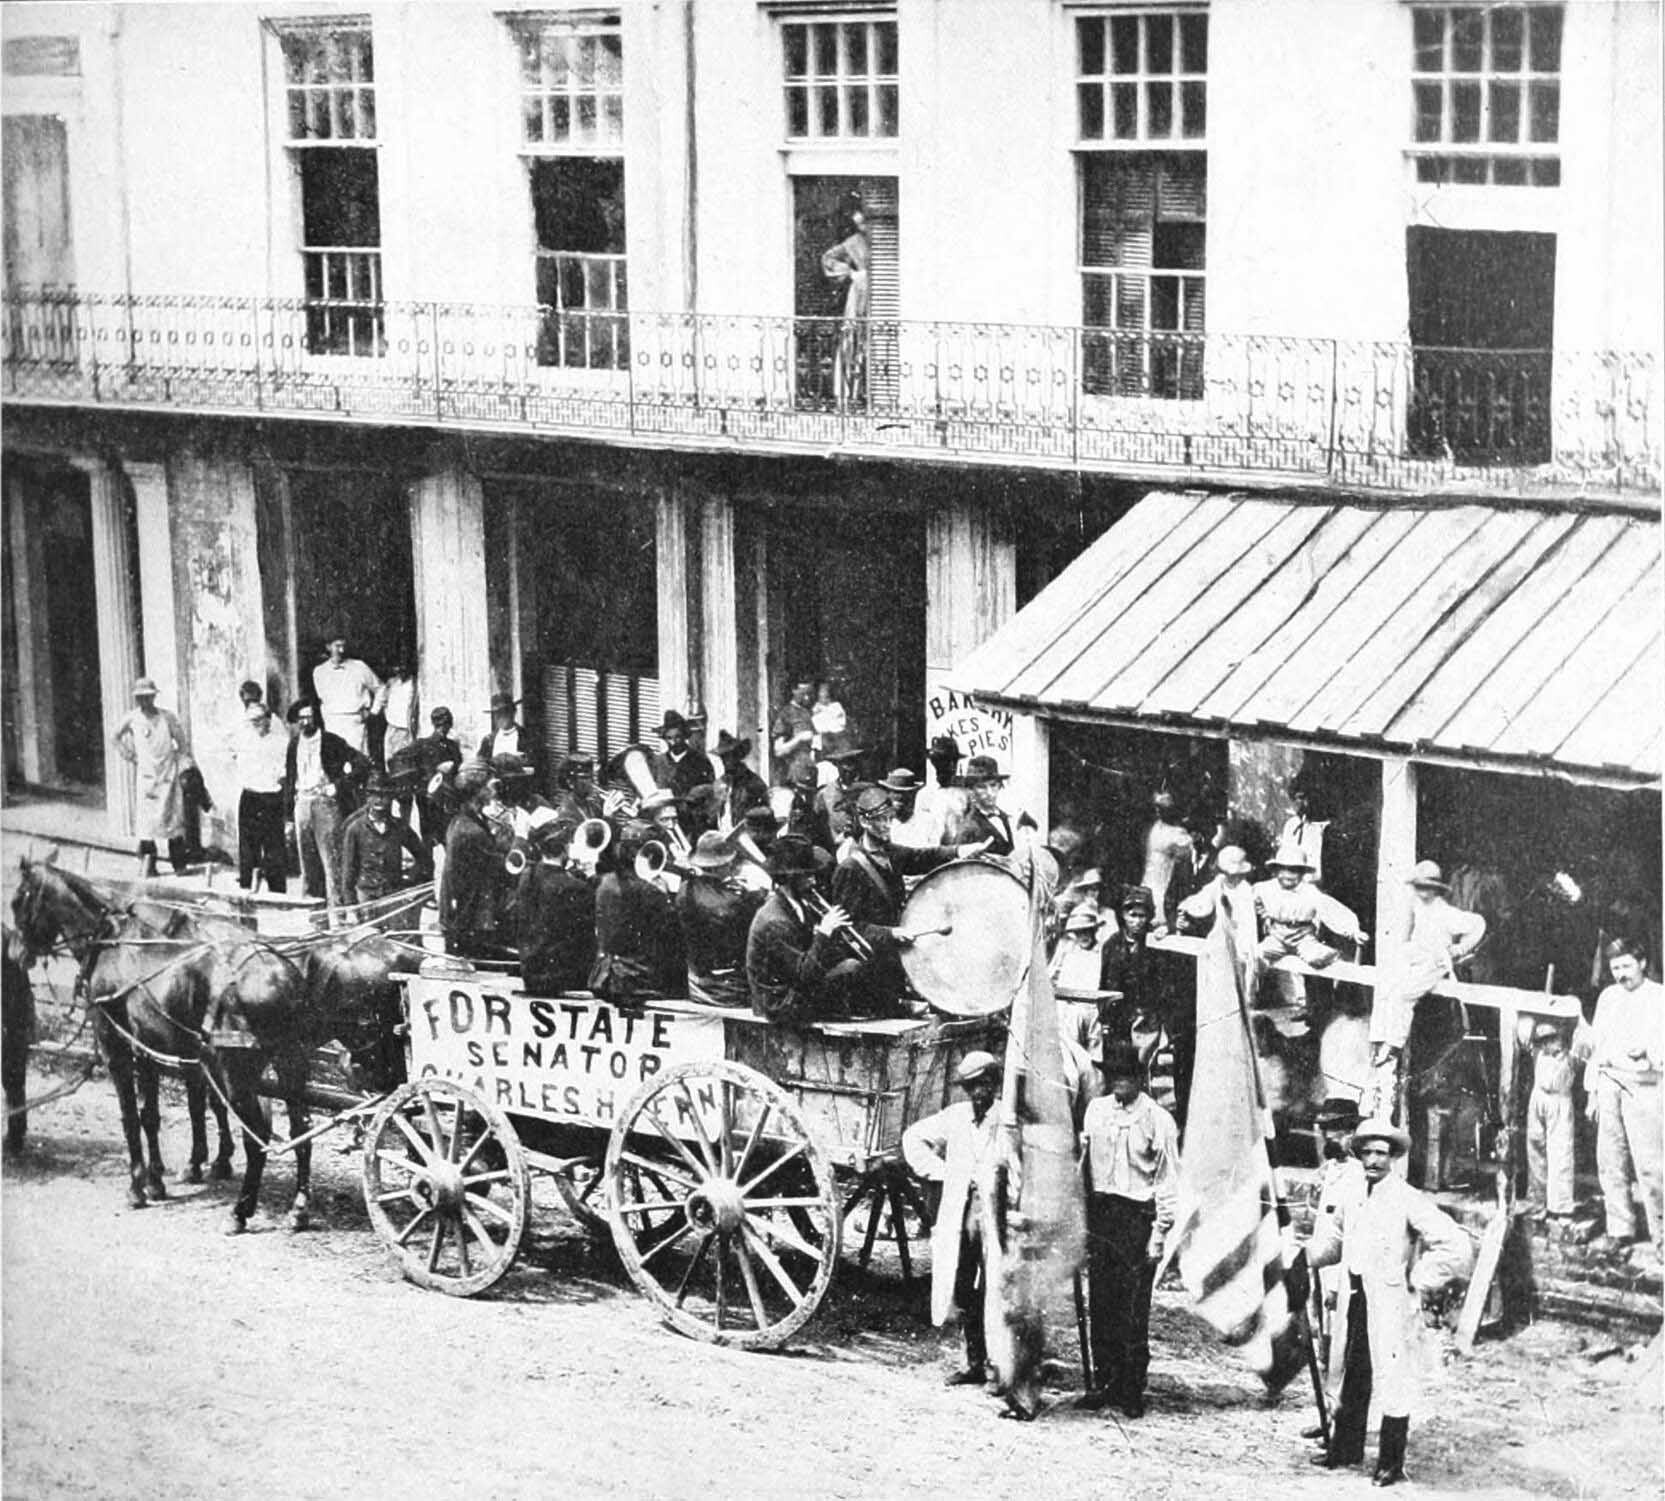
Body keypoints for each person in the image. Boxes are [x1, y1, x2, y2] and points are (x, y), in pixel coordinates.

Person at [1307, 1118, 1472, 1486]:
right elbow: (1334, 1244)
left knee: (1394, 1379)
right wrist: (1301, 1255)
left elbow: (1456, 1246)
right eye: (1367, 1152)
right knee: (1354, 1373)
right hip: (1357, 1298)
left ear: (1393, 1157)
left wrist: (1420, 1278)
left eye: (1382, 1153)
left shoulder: (1406, 1197)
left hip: (1392, 1303)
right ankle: (1346, 1449)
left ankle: (1390, 1462)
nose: (1374, 1161)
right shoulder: (1352, 1194)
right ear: (1359, 1155)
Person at [1078, 1042, 1179, 1419]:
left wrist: (1159, 1234)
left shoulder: (1157, 1119)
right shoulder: (1096, 1112)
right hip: (1102, 1215)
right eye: (1112, 1075)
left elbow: (1168, 1181)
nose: (1119, 1082)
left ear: (1139, 1078)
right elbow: (1084, 1168)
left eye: (1127, 1075)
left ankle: (1131, 1387)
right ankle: (1105, 1381)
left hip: (1137, 1217)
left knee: (1134, 1309)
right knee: (1102, 1302)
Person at [901, 1051, 1005, 1389]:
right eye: (973, 1086)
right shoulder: (957, 1117)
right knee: (961, 1285)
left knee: (993, 1288)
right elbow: (913, 1138)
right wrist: (942, 1173)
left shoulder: (1005, 1120)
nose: (979, 1092)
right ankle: (972, 1361)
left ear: (994, 1084)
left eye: (985, 1084)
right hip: (959, 1210)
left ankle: (996, 1367)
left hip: (991, 1212)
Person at [831, 785, 979, 1015]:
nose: (888, 825)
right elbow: (848, 930)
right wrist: (891, 933)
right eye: (881, 820)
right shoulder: (850, 869)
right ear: (865, 822)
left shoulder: (890, 853)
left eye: (890, 819)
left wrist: (960, 851)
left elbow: (922, 857)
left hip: (894, 963)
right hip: (870, 973)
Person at [1364, 861, 1484, 1123]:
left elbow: (1478, 924)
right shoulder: (1417, 907)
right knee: (1390, 985)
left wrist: (1460, 949)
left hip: (1435, 961)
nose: (1423, 891)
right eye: (1419, 886)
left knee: (1405, 995)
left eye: (1428, 887)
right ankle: (1382, 1037)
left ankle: (1394, 1044)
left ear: (1437, 889)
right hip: (1416, 956)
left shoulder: (1446, 912)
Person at [1575, 936, 1663, 1263]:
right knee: (1610, 1161)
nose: (1620, 974)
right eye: (1615, 968)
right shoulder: (1608, 997)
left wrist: (1650, 1053)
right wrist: (1592, 1093)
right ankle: (1620, 1229)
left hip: (1646, 1085)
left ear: (1641, 963)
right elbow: (1597, 1047)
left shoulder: (1659, 997)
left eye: (1626, 966)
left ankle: (1662, 1238)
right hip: (1609, 1081)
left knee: (1651, 1165)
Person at [745, 834, 878, 1023]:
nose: (813, 881)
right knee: (851, 968)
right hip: (778, 1004)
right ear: (789, 878)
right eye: (806, 876)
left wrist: (832, 936)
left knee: (852, 961)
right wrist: (824, 933)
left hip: (791, 989)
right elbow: (803, 975)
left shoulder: (796, 903)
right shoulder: (775, 921)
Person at [1306, 1096, 1366, 1419]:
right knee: (1325, 1351)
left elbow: (1349, 1237)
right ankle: (1328, 1416)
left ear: (1352, 1133)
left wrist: (1333, 1282)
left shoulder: (1357, 1175)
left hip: (1340, 1275)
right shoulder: (1330, 1170)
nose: (1330, 1137)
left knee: (1340, 1353)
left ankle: (1338, 1420)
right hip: (1323, 1268)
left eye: (1338, 1130)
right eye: (1327, 1129)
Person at [285, 698, 369, 908]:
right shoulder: (294, 744)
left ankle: (338, 917)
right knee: (308, 864)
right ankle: (316, 918)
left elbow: (362, 763)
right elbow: (289, 780)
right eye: (301, 718)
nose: (305, 722)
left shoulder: (331, 741)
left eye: (309, 717)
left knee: (332, 864)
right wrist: (288, 817)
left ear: (317, 718)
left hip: (325, 805)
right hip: (302, 804)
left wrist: (339, 786)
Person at [592, 823, 685, 1007]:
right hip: (638, 982)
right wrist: (667, 896)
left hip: (606, 977)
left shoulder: (605, 882)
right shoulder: (650, 893)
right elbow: (674, 935)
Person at [113, 676, 196, 877]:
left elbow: (182, 742)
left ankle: (179, 865)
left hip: (167, 776)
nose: (144, 701)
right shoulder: (132, 718)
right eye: (140, 698)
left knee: (172, 821)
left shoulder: (167, 717)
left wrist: (179, 763)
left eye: (148, 697)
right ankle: (149, 865)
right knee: (146, 825)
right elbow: (114, 736)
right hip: (146, 778)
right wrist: (129, 755)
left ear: (153, 697)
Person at [676, 832, 767, 1008]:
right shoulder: (736, 901)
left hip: (696, 983)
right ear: (724, 864)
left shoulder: (684, 889)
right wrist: (757, 896)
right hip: (728, 990)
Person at [439, 761, 513, 960]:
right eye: (489, 786)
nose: (494, 790)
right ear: (476, 790)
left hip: (465, 914)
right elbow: (501, 868)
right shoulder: (471, 831)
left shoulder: (464, 820)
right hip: (473, 918)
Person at [517, 819, 597, 997]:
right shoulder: (576, 887)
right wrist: (591, 878)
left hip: (531, 972)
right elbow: (587, 938)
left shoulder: (527, 875)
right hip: (561, 977)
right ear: (566, 848)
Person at [339, 771, 431, 908]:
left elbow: (424, 858)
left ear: (391, 798)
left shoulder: (399, 827)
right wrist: (350, 906)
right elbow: (348, 870)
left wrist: (412, 881)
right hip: (366, 897)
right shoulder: (355, 829)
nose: (379, 800)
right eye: (374, 795)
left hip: (393, 896)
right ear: (367, 797)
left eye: (384, 795)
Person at [233, 699, 291, 894]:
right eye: (252, 720)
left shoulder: (281, 742)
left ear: (268, 719)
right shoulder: (243, 739)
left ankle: (277, 892)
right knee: (248, 848)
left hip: (271, 797)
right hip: (250, 796)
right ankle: (247, 889)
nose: (256, 724)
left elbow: (285, 772)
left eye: (259, 719)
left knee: (274, 847)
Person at [1524, 1020, 1578, 1223]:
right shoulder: (1539, 1054)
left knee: (1561, 1152)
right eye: (1543, 1041)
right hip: (1538, 1097)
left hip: (1559, 1100)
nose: (1547, 1045)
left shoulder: (1571, 1056)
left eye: (1552, 1039)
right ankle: (1538, 1203)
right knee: (1535, 1147)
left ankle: (1561, 1207)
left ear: (1561, 1038)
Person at [821, 200, 870, 406]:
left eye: (865, 223)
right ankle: (851, 392)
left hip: (885, 296)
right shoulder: (853, 242)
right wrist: (851, 273)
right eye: (859, 224)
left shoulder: (888, 240)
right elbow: (828, 258)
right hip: (860, 294)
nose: (863, 228)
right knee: (855, 337)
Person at [943, 755, 1034, 860]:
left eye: (993, 785)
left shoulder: (1004, 817)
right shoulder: (967, 829)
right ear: (971, 790)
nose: (990, 793)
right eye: (982, 787)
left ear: (1000, 786)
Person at [312, 632, 382, 756]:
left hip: (355, 726)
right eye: (337, 646)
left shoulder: (359, 667)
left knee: (358, 764)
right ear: (328, 647)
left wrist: (373, 712)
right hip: (332, 725)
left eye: (344, 646)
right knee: (335, 763)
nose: (342, 650)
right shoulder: (319, 672)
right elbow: (323, 699)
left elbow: (380, 688)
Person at [649, 710, 717, 838]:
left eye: (677, 737)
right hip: (664, 824)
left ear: (685, 736)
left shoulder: (700, 761)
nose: (673, 742)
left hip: (692, 823)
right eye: (669, 738)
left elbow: (709, 791)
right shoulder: (658, 762)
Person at [1141, 791, 1196, 934]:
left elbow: (1183, 866)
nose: (1158, 811)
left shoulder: (1179, 835)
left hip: (1163, 881)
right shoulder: (1155, 826)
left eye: (1163, 809)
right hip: (1148, 878)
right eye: (1157, 807)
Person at [412, 706, 463, 848]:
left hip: (446, 799)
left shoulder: (452, 746)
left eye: (446, 725)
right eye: (440, 725)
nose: (443, 729)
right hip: (429, 801)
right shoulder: (422, 745)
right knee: (430, 841)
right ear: (434, 725)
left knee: (448, 839)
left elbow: (458, 768)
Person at [711, 732, 769, 831]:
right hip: (722, 835)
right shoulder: (720, 783)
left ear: (739, 756)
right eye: (723, 758)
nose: (726, 762)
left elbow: (764, 814)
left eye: (730, 757)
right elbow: (714, 815)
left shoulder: (754, 783)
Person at [771, 680, 817, 791]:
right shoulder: (786, 713)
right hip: (793, 775)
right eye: (803, 693)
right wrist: (799, 739)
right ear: (794, 690)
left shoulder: (808, 713)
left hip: (810, 772)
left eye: (809, 693)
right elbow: (778, 751)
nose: (807, 698)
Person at [381, 659, 419, 766]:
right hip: (391, 727)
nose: (400, 670)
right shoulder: (392, 683)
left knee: (403, 762)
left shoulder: (415, 684)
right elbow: (383, 698)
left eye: (404, 667)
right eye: (397, 667)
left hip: (405, 729)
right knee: (389, 759)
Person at [478, 692, 525, 763]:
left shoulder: (527, 737)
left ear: (513, 712)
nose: (501, 717)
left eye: (505, 712)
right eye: (497, 714)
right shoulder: (488, 741)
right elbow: (480, 765)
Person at [809, 679, 847, 754]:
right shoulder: (815, 708)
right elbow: (815, 725)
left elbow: (840, 724)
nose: (823, 693)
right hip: (821, 742)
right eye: (821, 690)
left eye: (825, 690)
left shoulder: (836, 706)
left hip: (836, 738)